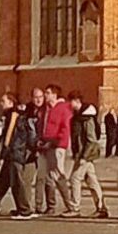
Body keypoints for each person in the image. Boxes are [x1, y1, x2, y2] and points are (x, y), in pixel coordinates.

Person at [69, 90, 107, 218]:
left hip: (85, 154)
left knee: (75, 178)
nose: (70, 104)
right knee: (91, 180)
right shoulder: (79, 117)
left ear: (77, 101)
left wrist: (84, 157)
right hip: (83, 153)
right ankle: (101, 207)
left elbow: (91, 140)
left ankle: (75, 207)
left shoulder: (86, 118)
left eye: (72, 101)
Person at [38, 86, 75, 214]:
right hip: (45, 144)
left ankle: (70, 204)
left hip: (57, 146)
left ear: (55, 95)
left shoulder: (63, 108)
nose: (45, 95)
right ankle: (51, 205)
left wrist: (55, 142)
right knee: (48, 176)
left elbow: (65, 129)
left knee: (58, 174)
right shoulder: (46, 109)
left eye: (48, 93)